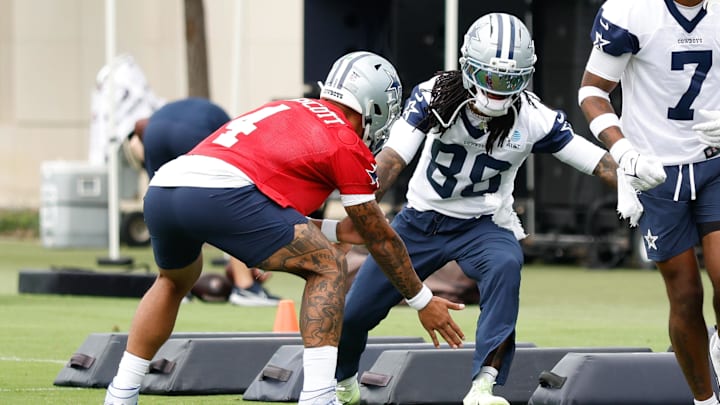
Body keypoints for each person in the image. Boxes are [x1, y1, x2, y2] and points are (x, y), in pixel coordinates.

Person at [104, 50, 465, 405]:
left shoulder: (291, 107)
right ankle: (319, 396)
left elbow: (269, 209)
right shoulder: (344, 140)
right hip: (223, 192)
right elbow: (380, 238)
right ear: (375, 105)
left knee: (172, 281)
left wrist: (337, 232)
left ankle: (120, 393)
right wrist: (422, 299)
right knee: (326, 264)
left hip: (167, 187)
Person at [334, 14, 620, 405]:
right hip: (421, 221)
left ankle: (484, 385)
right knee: (355, 312)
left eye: (510, 80)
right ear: (468, 67)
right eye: (490, 77)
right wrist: (360, 211)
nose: (499, 90)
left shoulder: (533, 117)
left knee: (505, 263)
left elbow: (595, 161)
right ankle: (343, 381)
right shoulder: (436, 95)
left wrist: (638, 183)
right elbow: (391, 161)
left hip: (482, 223)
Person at [578, 1, 720, 403]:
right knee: (686, 294)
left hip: (715, 162)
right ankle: (705, 400)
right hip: (655, 169)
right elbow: (592, 91)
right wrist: (623, 153)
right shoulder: (631, 10)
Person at [129, 97, 281, 306]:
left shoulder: (153, 123)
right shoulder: (229, 125)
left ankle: (175, 287)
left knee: (163, 202)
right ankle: (245, 287)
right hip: (191, 132)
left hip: (154, 134)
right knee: (231, 205)